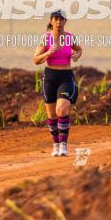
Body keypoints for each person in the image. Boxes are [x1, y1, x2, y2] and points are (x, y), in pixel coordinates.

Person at [33, 9, 82, 156]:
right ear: (51, 21)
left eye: (61, 20)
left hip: (65, 76)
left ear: (65, 22)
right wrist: (48, 53)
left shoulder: (70, 37)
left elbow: (79, 50)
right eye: (56, 19)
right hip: (50, 77)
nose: (59, 22)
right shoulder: (46, 39)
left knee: (62, 109)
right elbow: (35, 60)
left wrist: (76, 55)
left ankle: (64, 145)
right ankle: (55, 145)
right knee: (52, 115)